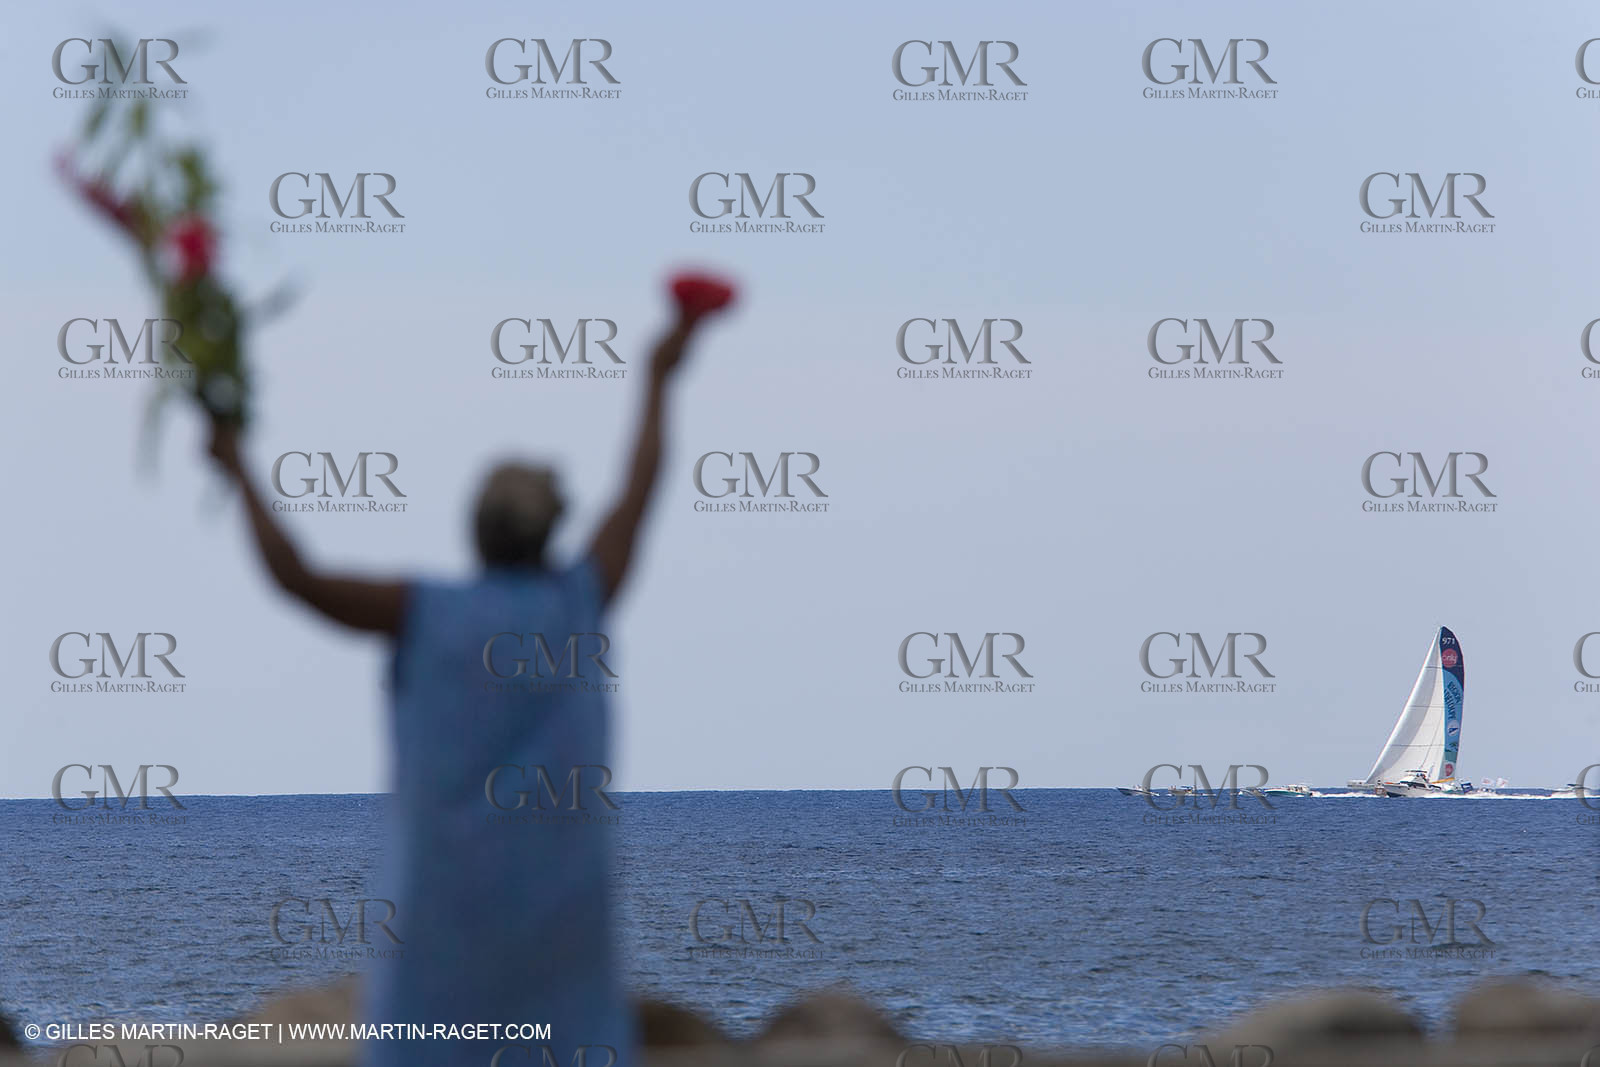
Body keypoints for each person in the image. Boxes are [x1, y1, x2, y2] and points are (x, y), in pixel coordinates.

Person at [205, 273, 736, 1067]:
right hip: (560, 926)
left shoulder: (424, 614)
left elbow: (297, 576)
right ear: (551, 532)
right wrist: (660, 374)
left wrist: (235, 462)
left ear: (475, 530)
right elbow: (639, 489)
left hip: (443, 922)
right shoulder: (578, 601)